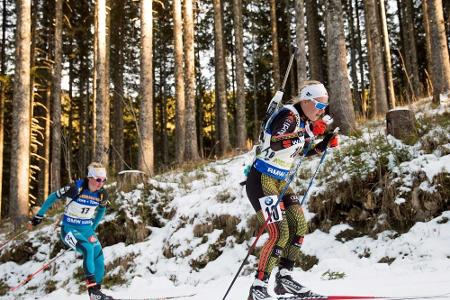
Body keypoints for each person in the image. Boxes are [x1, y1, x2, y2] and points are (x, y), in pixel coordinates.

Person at [246, 81, 339, 300]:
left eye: (325, 107)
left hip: (279, 180)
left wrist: (323, 144)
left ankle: (284, 278)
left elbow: (301, 151)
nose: (322, 111)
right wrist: (306, 133)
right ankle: (258, 287)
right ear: (306, 101)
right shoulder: (289, 116)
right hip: (262, 180)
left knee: (299, 225)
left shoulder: (304, 120)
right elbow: (278, 143)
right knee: (279, 232)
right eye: (318, 106)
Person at [29, 162, 113, 300]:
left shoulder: (102, 194)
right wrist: (39, 215)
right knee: (87, 249)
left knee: (98, 256)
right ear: (90, 177)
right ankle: (92, 292)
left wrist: (93, 227)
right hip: (69, 229)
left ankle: (97, 293)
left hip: (86, 230)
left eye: (104, 180)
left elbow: (101, 210)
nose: (101, 183)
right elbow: (52, 197)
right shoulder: (75, 188)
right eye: (98, 179)